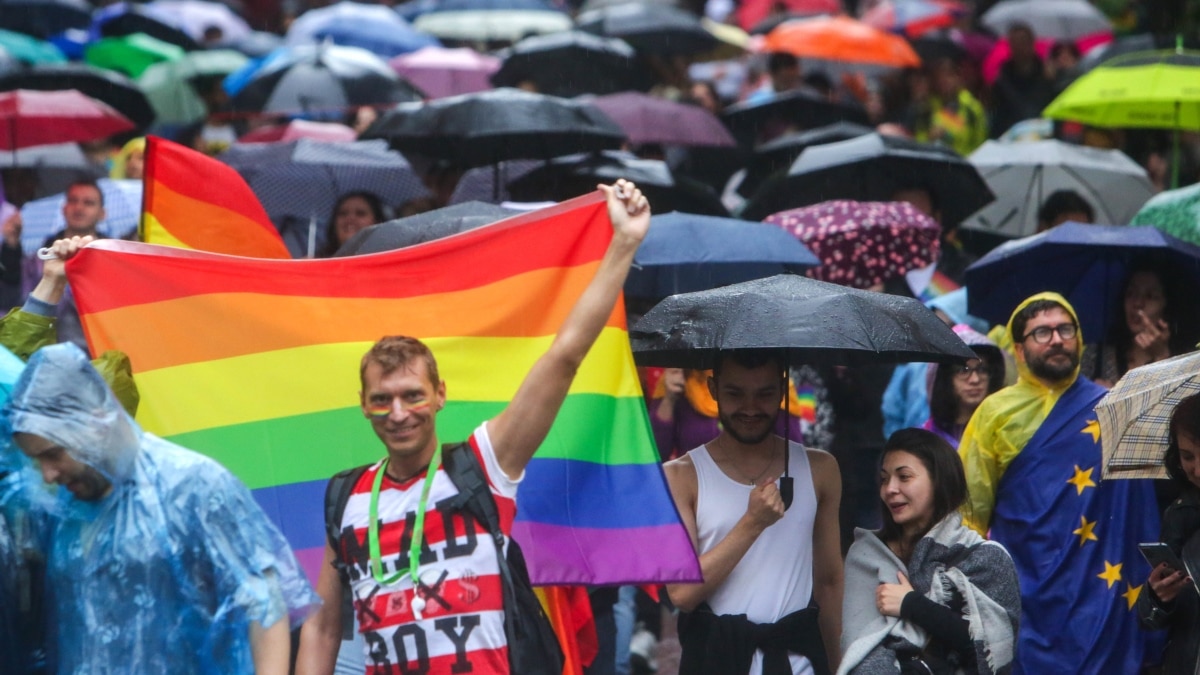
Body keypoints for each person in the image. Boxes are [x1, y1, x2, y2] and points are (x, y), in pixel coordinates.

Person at [295, 179, 651, 674]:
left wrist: (624, 243)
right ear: (363, 405)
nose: (398, 413)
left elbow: (564, 356)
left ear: (440, 396)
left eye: (412, 396)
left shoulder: (484, 465)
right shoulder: (345, 496)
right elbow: (323, 627)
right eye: (382, 399)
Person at [3, 340, 319, 673]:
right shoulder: (57, 510)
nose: (48, 475)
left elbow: (264, 605)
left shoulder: (192, 485)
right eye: (37, 461)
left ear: (94, 423)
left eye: (54, 454)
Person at [958, 292, 1162, 672]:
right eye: (1042, 332)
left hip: (1101, 598)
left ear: (1079, 339)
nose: (1056, 339)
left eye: (1064, 329)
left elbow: (1140, 511)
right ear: (1019, 348)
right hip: (1023, 595)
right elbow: (969, 512)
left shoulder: (1112, 406)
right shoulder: (994, 414)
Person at [664, 349, 843, 675]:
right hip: (717, 659)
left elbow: (829, 582)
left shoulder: (820, 469)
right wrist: (752, 523)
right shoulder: (681, 475)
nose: (750, 408)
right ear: (713, 389)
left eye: (764, 394)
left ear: (781, 389)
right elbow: (682, 593)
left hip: (798, 660)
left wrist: (837, 666)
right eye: (735, 393)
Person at [840, 428, 1020, 674]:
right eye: (884, 479)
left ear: (939, 481)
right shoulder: (867, 556)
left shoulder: (985, 559)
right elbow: (859, 648)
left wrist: (911, 605)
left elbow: (988, 649)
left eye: (904, 477)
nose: (890, 488)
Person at [1137, 393, 1200, 672]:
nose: (1197, 470)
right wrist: (1158, 596)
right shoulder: (1180, 513)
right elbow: (1150, 619)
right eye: (1188, 456)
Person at [20, 180, 107, 350]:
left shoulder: (112, 262)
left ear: (102, 213)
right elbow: (23, 308)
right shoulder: (35, 260)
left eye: (88, 203)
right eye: (73, 200)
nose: (79, 208)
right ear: (64, 209)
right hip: (44, 352)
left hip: (98, 358)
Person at [1083, 263, 1197, 387]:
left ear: (1168, 307)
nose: (1137, 303)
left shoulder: (1187, 362)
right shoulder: (1096, 354)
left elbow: (1176, 403)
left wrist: (1162, 355)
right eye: (1131, 293)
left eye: (1150, 296)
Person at [923, 325, 1004, 447]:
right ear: (945, 379)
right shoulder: (927, 438)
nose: (975, 380)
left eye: (982, 370)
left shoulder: (1004, 430)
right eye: (963, 371)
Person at [989, 23, 1055, 138]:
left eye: (1023, 42)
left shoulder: (1047, 75)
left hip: (1042, 133)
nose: (1019, 47)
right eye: (1015, 43)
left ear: (1031, 43)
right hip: (1011, 135)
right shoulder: (1002, 80)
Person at [317, 191, 387, 258]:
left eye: (360, 213)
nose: (350, 219)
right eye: (343, 213)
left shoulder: (388, 258)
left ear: (377, 222)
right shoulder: (318, 262)